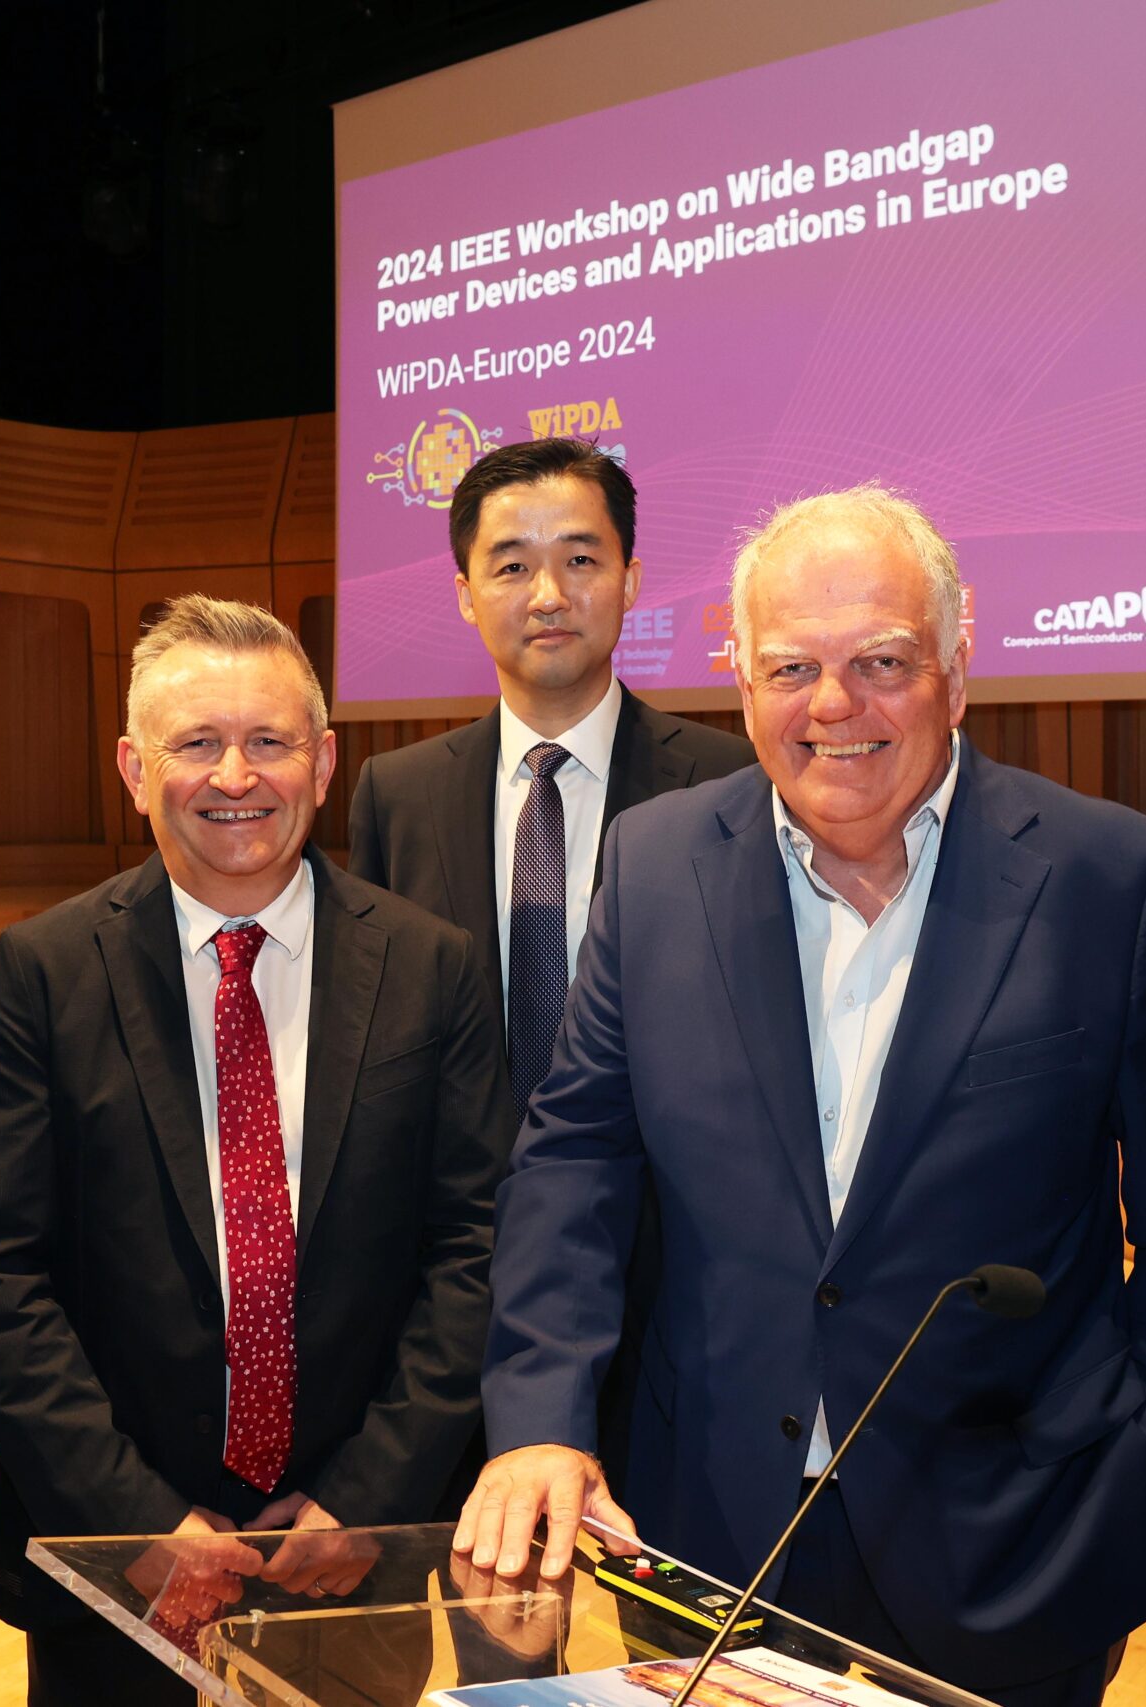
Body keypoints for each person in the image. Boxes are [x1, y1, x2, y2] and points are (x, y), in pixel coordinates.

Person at [460, 485, 1146, 1707]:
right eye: (791, 666)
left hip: (1013, 1541)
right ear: (741, 680)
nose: (834, 706)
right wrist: (542, 1414)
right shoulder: (652, 870)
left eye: (883, 662)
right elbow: (574, 1158)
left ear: (958, 668)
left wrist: (1137, 1452)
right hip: (701, 1536)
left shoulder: (1105, 876)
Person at [0, 596, 515, 1706]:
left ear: (326, 760)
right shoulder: (39, 977)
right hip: (111, 1563)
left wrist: (368, 1499)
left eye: (269, 742)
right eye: (195, 743)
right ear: (132, 767)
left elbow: (474, 1250)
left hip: (356, 1561)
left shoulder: (433, 971)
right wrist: (136, 1522)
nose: (234, 777)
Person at [347, 436, 750, 1491]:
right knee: (485, 1621)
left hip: (674, 1280)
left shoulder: (732, 786)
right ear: (466, 593)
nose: (547, 593)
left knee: (684, 1634)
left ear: (631, 578)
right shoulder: (396, 794)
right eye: (510, 564)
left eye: (579, 558)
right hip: (455, 1282)